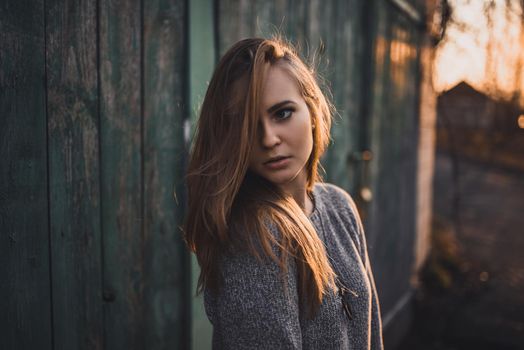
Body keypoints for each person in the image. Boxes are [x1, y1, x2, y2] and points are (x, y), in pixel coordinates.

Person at [183, 37, 384, 350]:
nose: (267, 138)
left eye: (282, 113)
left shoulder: (339, 205)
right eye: (247, 124)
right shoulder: (256, 236)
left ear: (312, 110)